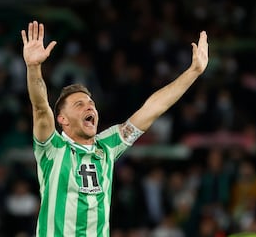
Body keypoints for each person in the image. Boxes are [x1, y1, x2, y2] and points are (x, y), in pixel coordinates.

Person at [20, 20, 209, 236]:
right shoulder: (53, 148)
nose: (89, 106)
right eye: (79, 104)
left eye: (91, 103)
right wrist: (34, 68)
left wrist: (193, 72)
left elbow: (153, 108)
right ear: (62, 119)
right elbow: (41, 109)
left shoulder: (108, 146)